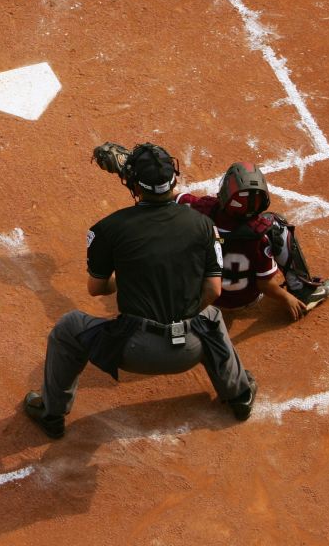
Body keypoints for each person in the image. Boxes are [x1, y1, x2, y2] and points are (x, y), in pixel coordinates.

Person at [22, 144, 257, 440]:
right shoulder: (203, 225)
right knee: (210, 315)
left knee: (68, 327)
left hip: (133, 351)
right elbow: (213, 289)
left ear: (133, 184)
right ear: (174, 179)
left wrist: (128, 278)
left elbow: (96, 289)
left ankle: (51, 413)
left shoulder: (109, 228)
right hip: (191, 348)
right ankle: (240, 396)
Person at [174, 162, 329, 321]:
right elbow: (265, 284)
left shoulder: (202, 210)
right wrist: (287, 298)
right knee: (277, 223)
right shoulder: (259, 235)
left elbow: (173, 197)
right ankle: (302, 289)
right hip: (245, 299)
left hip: (206, 297)